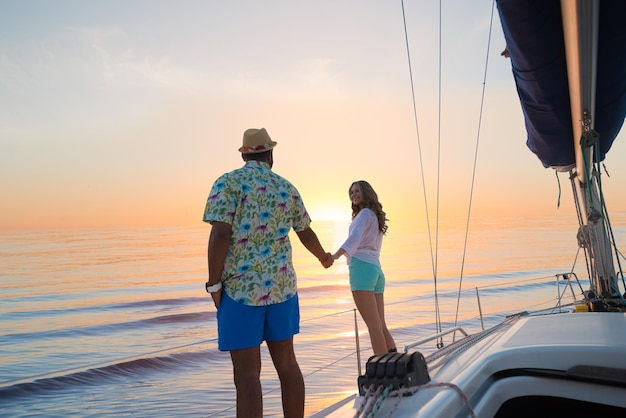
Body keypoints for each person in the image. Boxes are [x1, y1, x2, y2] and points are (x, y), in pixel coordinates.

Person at [203, 127, 333, 418]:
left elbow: (220, 235)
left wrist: (214, 285)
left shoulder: (228, 182)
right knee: (287, 365)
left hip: (240, 292)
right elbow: (305, 232)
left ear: (244, 154)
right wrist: (323, 257)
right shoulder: (286, 187)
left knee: (247, 375)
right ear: (270, 154)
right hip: (282, 289)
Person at [331, 180, 396, 355]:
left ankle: (383, 368)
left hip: (362, 269)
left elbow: (355, 237)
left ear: (366, 192)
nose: (353, 195)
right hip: (376, 270)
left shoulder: (364, 214)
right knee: (380, 324)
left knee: (373, 325)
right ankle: (396, 363)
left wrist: (335, 255)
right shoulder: (374, 215)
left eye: (357, 191)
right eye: (351, 192)